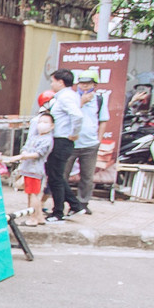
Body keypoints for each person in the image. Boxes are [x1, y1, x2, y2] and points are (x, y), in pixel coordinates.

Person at [44, 69, 84, 223]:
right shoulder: (68, 95)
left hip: (62, 140)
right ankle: (75, 205)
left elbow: (77, 116)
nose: (51, 84)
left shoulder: (66, 97)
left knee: (55, 178)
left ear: (60, 82)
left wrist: (74, 133)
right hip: (61, 140)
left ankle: (58, 212)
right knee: (56, 176)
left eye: (53, 81)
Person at [3, 111, 54, 225]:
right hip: (28, 169)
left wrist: (21, 156)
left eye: (45, 122)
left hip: (35, 170)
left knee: (33, 195)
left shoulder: (47, 139)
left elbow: (38, 154)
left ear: (52, 126)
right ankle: (40, 217)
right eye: (40, 122)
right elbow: (26, 148)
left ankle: (33, 218)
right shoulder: (35, 137)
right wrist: (23, 153)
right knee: (30, 194)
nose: (42, 124)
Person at [72, 70, 111, 213]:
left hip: (90, 144)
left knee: (87, 176)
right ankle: (61, 202)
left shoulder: (99, 100)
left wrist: (98, 140)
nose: (84, 87)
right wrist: (82, 102)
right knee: (62, 174)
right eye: (82, 83)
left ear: (94, 85)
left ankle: (83, 202)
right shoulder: (73, 98)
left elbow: (103, 121)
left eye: (87, 84)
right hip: (72, 142)